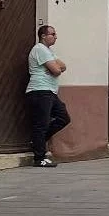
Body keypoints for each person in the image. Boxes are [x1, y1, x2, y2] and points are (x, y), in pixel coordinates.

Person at [25, 24, 70, 168]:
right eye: (53, 34)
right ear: (43, 36)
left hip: (50, 91)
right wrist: (54, 68)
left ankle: (37, 141)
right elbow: (57, 70)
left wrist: (54, 67)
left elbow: (63, 66)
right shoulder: (39, 49)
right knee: (41, 124)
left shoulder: (49, 51)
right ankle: (39, 158)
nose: (55, 37)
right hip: (40, 91)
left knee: (64, 117)